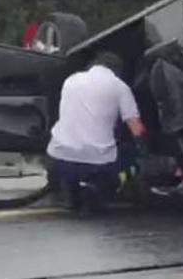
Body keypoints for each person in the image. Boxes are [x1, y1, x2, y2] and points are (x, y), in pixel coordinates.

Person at [45, 52, 148, 209]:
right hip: (98, 163)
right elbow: (135, 127)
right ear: (117, 71)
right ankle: (101, 190)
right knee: (129, 155)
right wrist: (144, 150)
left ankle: (70, 190)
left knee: (66, 154)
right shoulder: (120, 86)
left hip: (58, 159)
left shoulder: (71, 80)